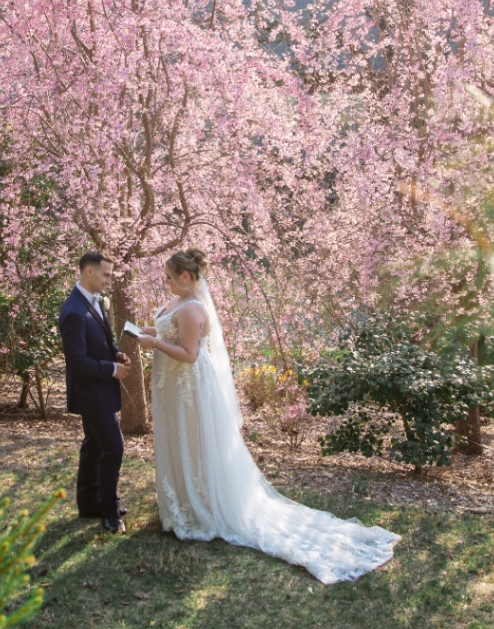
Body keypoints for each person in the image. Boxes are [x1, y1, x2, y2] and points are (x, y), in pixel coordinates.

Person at [133, 249, 400, 583]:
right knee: (179, 439)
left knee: (192, 441)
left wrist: (154, 344)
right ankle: (184, 501)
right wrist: (152, 332)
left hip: (188, 387)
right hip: (173, 387)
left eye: (170, 278)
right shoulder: (178, 302)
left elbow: (189, 354)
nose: (166, 282)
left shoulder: (192, 309)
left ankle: (201, 506)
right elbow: (169, 331)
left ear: (185, 277)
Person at [58, 250, 132, 533]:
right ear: (89, 271)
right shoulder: (73, 312)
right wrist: (112, 369)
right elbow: (77, 362)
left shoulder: (94, 301)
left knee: (93, 445)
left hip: (99, 389)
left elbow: (102, 340)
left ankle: (89, 503)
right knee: (114, 447)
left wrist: (116, 354)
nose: (108, 281)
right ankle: (109, 512)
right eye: (106, 275)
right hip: (91, 392)